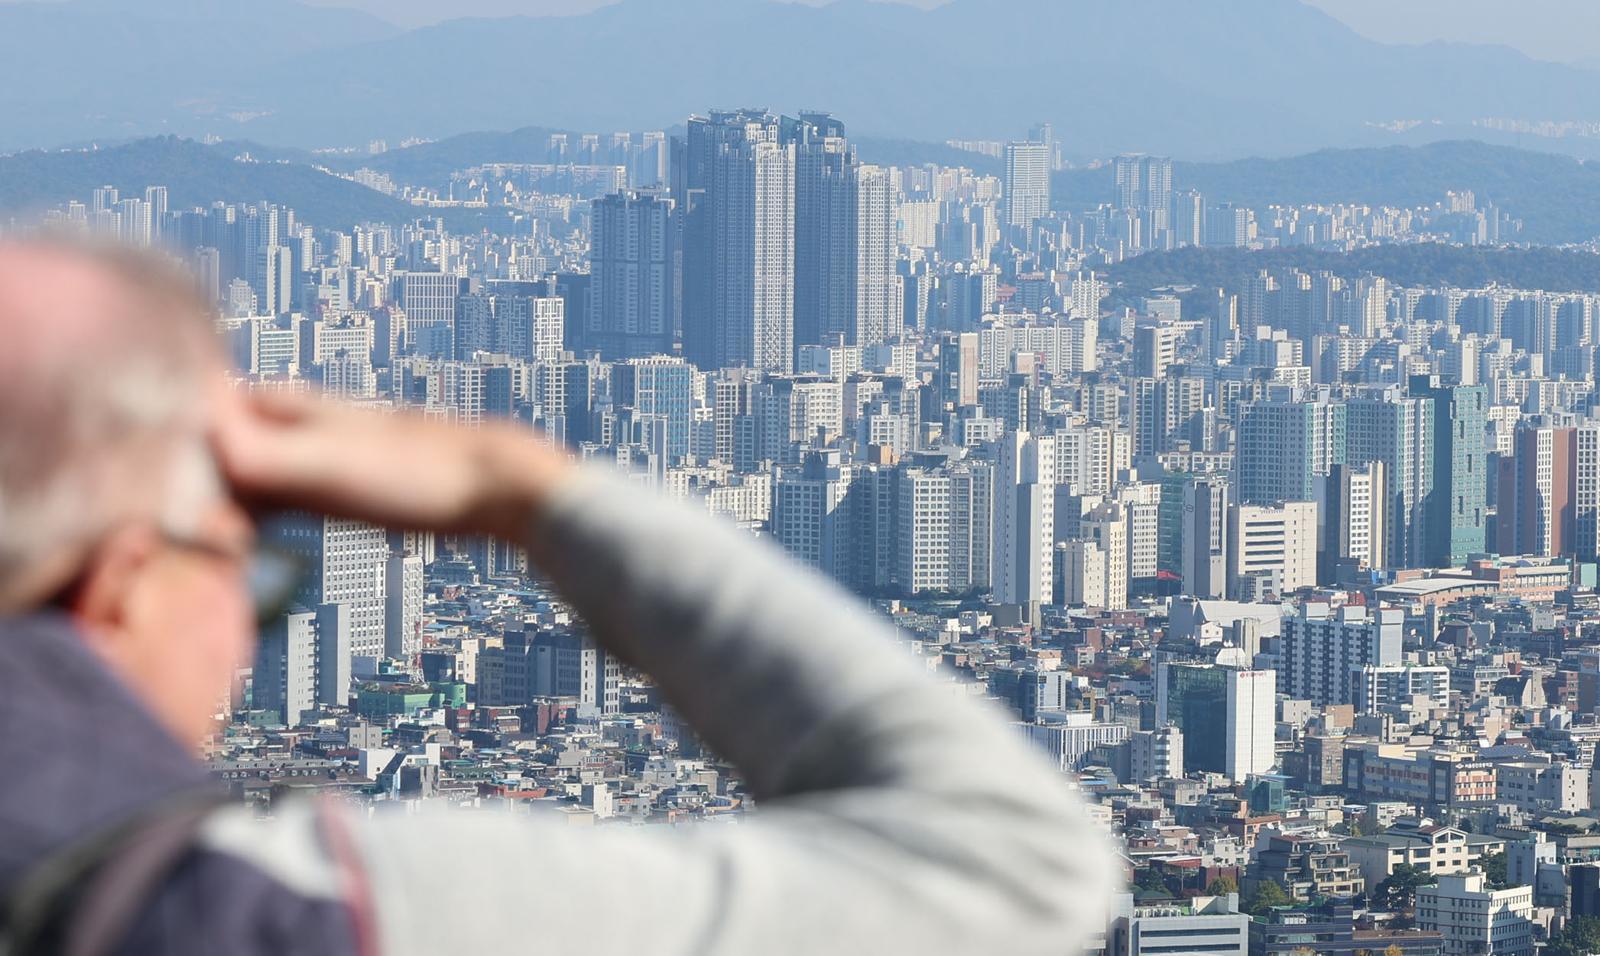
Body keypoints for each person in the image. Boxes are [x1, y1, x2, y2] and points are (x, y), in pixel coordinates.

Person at [0, 240, 1118, 955]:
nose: (244, 637)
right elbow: (1011, 864)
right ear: (121, 584)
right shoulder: (248, 910)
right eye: (249, 576)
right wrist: (525, 489)